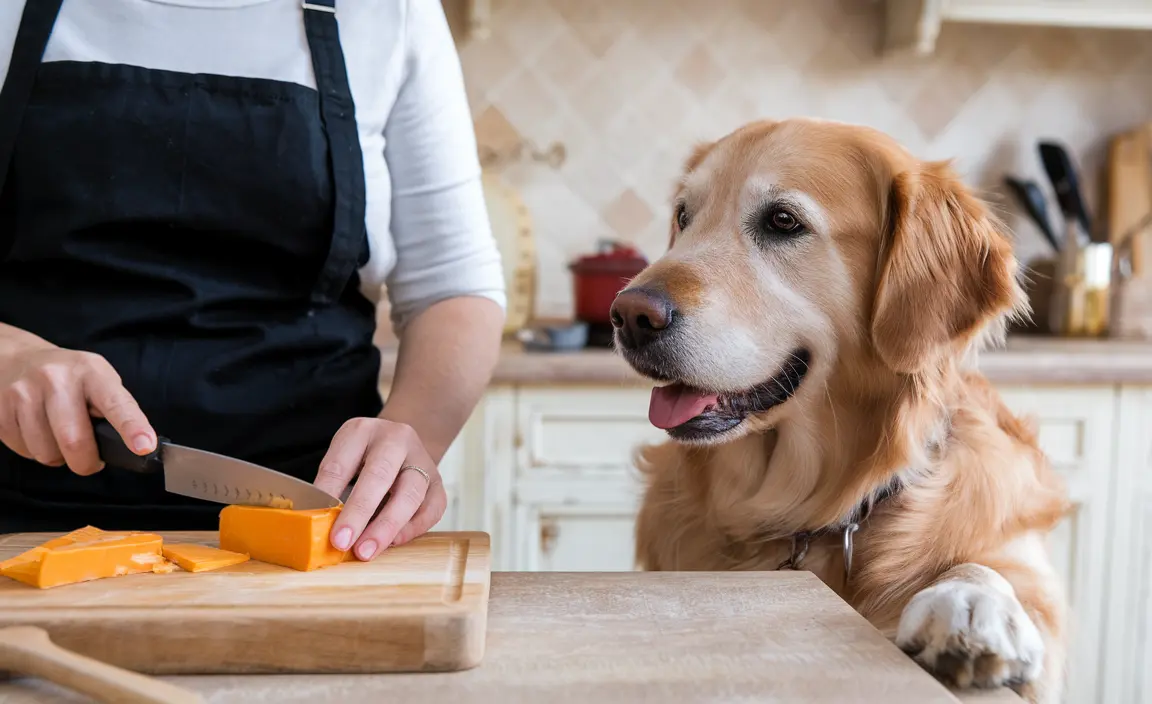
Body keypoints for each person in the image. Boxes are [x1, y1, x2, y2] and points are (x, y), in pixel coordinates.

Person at [0, 0, 506, 562]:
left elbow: (452, 285)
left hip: (312, 522)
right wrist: (9, 355)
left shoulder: (390, 12)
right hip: (21, 518)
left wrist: (407, 441)